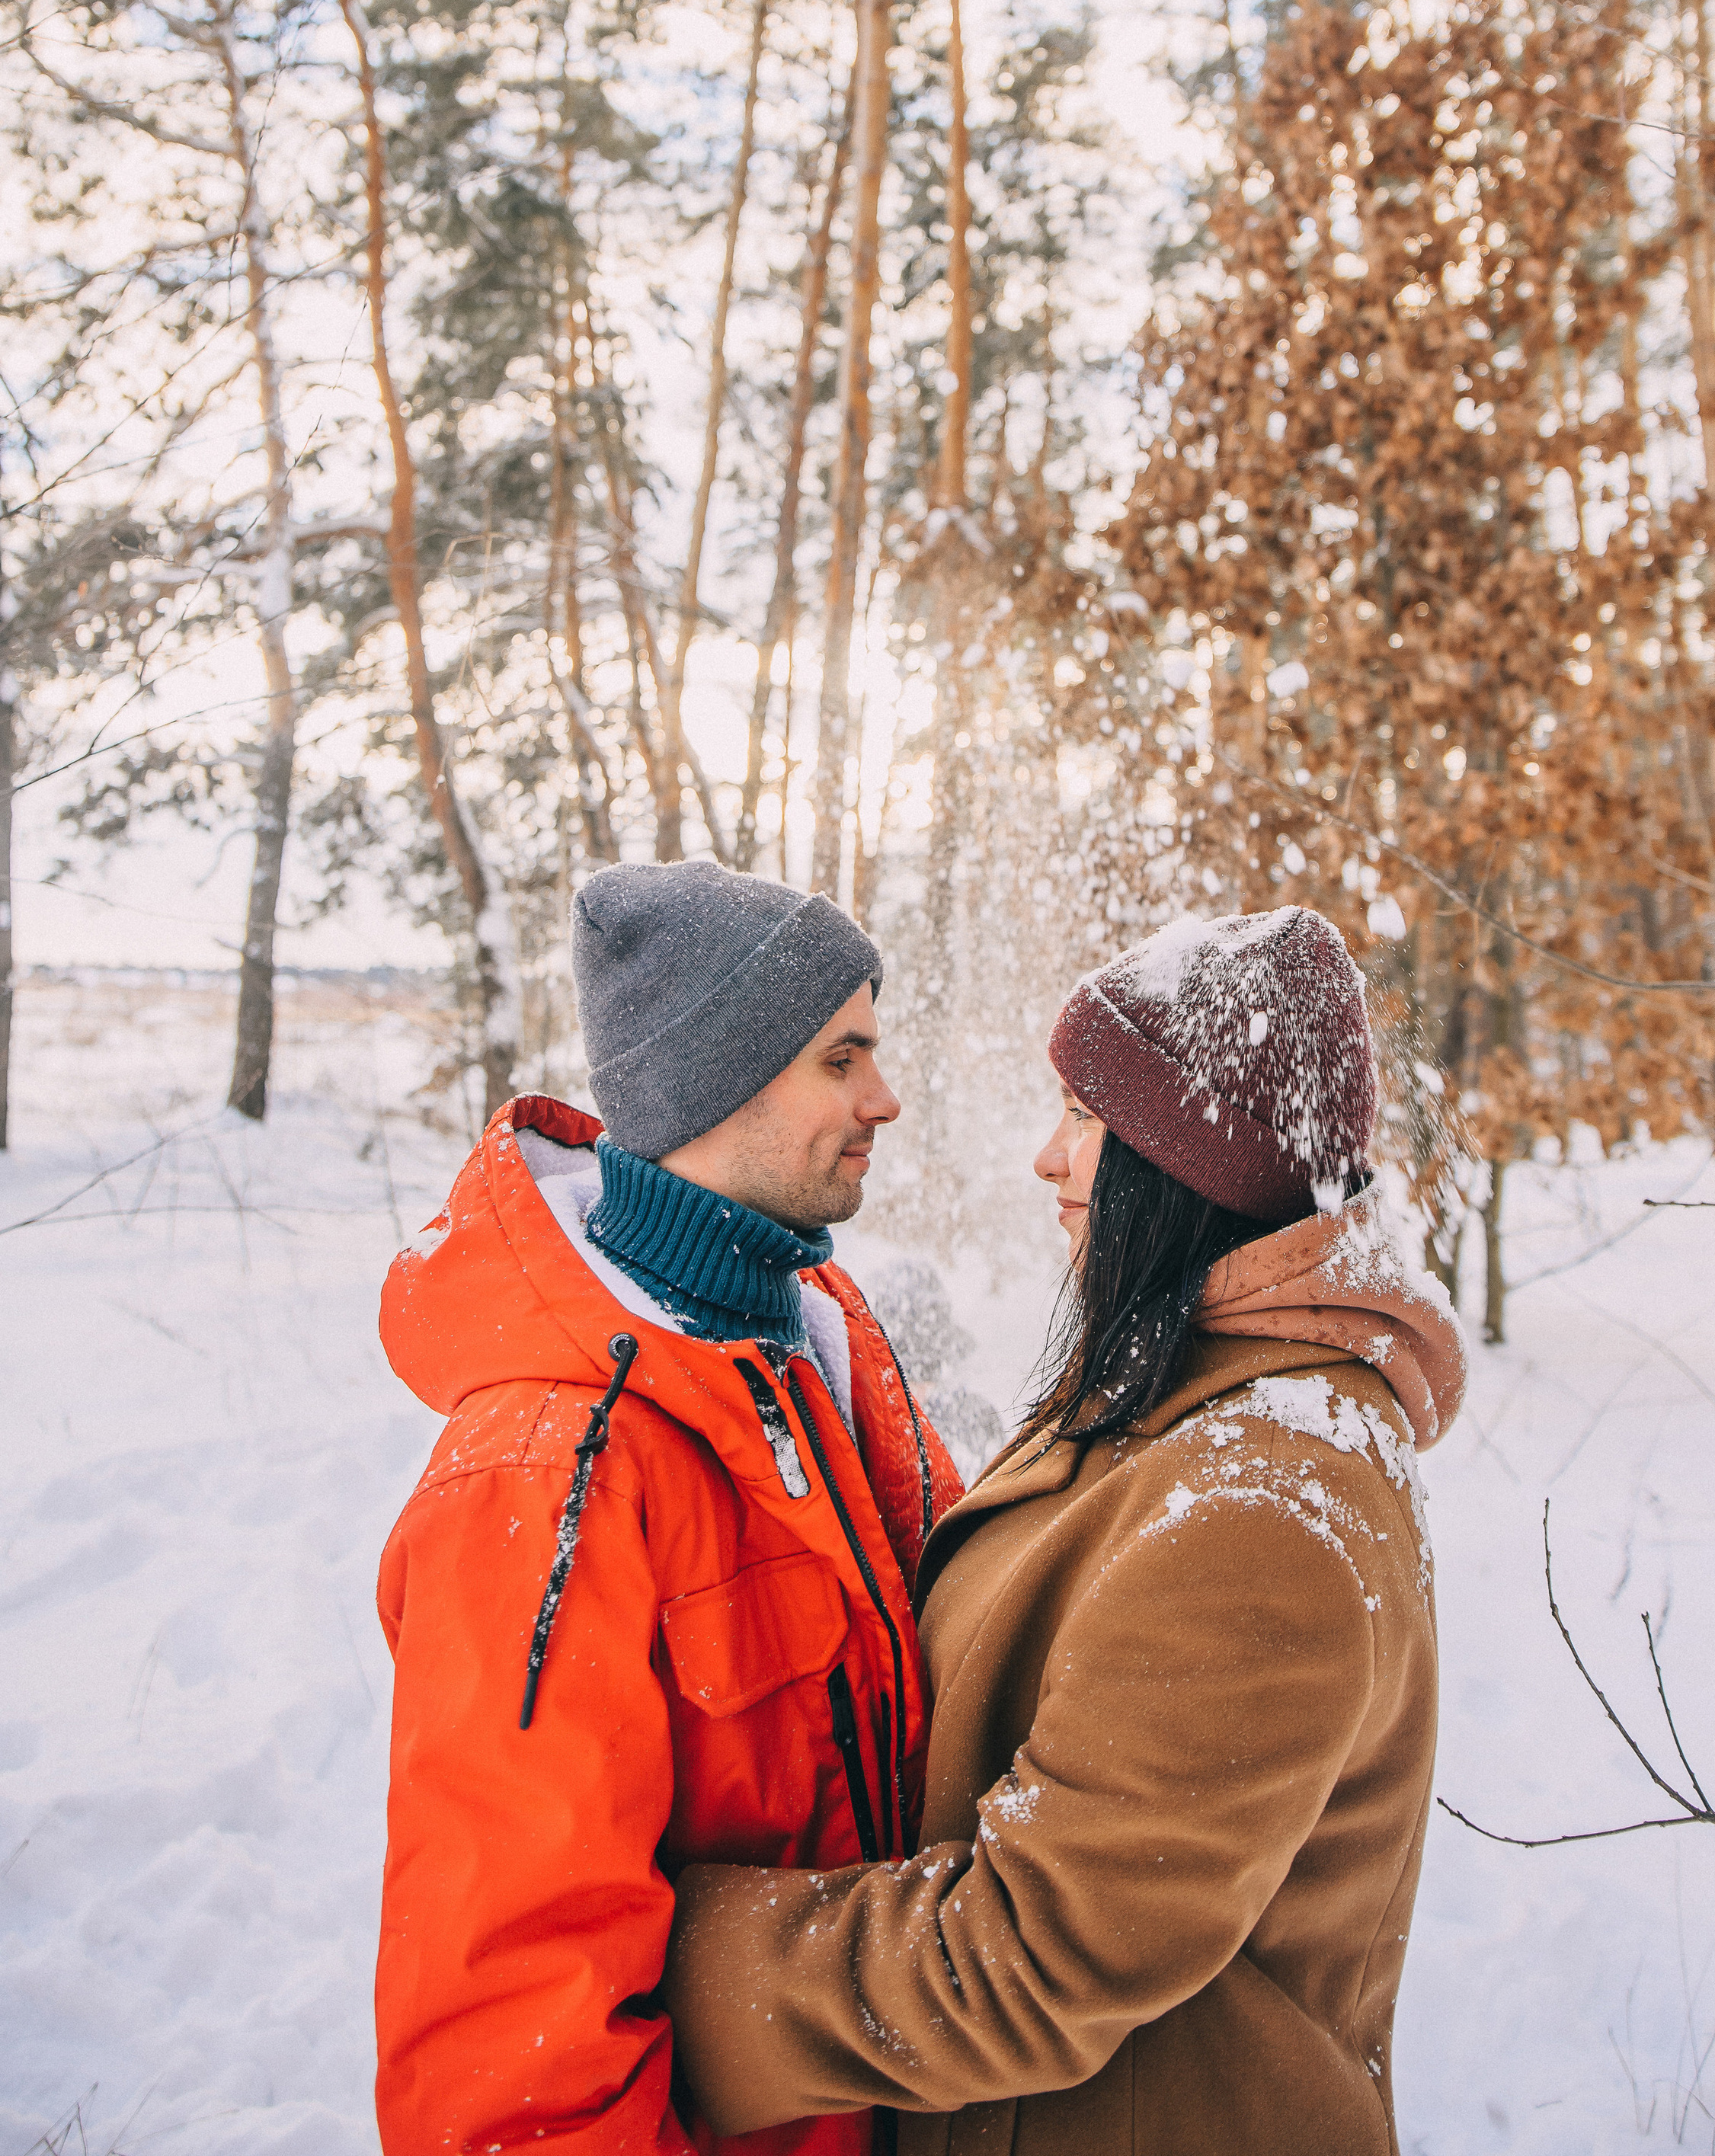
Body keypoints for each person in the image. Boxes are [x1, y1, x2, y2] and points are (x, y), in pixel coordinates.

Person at [660, 904, 1468, 2156]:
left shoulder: (1260, 1505)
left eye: (1090, 1118)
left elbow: (1030, 1956)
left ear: (1191, 1163)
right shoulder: (1185, 1393)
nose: (1051, 1158)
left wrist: (662, 1963)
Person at [373, 857, 960, 2156]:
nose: (886, 1098)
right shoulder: (544, 1471)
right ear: (720, 1079)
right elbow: (514, 2034)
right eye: (841, 1058)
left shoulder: (821, 1347)